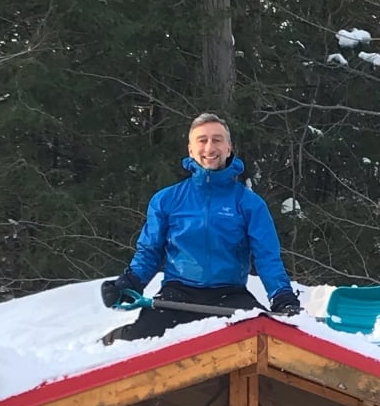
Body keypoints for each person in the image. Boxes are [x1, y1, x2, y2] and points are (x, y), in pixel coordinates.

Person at [100, 113, 301, 341]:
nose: (209, 147)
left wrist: (282, 295)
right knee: (141, 342)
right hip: (178, 294)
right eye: (202, 140)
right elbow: (150, 251)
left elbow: (267, 257)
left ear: (228, 147)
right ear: (190, 149)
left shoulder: (250, 204)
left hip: (230, 295)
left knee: (262, 341)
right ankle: (111, 341)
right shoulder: (167, 200)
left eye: (217, 140)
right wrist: (130, 282)